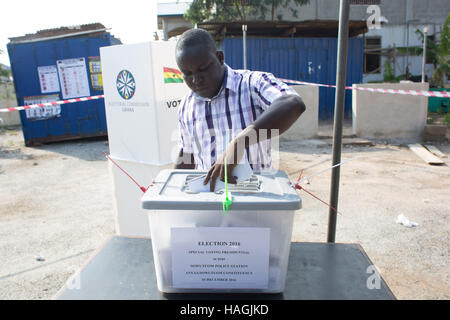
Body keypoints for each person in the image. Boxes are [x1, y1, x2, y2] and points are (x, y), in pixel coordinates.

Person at [174, 28, 306, 191]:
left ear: (219, 58)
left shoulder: (252, 84)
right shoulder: (186, 106)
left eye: (203, 69)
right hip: (207, 203)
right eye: (187, 73)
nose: (196, 80)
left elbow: (293, 103)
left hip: (254, 201)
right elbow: (188, 155)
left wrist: (240, 142)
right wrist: (171, 190)